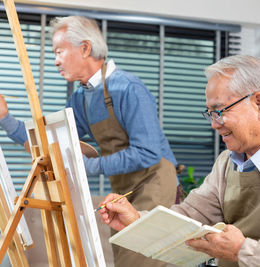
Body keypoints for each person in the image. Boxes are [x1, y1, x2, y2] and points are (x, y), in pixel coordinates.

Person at [98, 55, 260, 267]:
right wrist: (136, 219)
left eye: (219, 111)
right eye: (210, 113)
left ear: (259, 103)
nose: (213, 124)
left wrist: (243, 251)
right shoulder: (228, 161)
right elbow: (190, 216)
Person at [0, 16, 178, 267]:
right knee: (125, 259)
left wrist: (88, 166)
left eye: (59, 51)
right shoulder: (82, 97)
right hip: (124, 190)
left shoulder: (128, 88)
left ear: (84, 48)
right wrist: (5, 118)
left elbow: (147, 153)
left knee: (141, 261)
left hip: (154, 184)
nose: (55, 60)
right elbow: (49, 144)